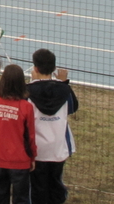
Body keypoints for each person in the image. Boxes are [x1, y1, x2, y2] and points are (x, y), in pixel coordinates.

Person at [27, 49, 78, 204]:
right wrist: (63, 82)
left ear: (35, 69)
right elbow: (73, 107)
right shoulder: (65, 90)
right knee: (55, 186)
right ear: (54, 69)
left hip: (37, 150)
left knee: (37, 189)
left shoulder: (28, 91)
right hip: (58, 148)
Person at [0, 64, 36, 204]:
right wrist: (32, 158)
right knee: (21, 199)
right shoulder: (26, 107)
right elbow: (30, 136)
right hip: (20, 161)